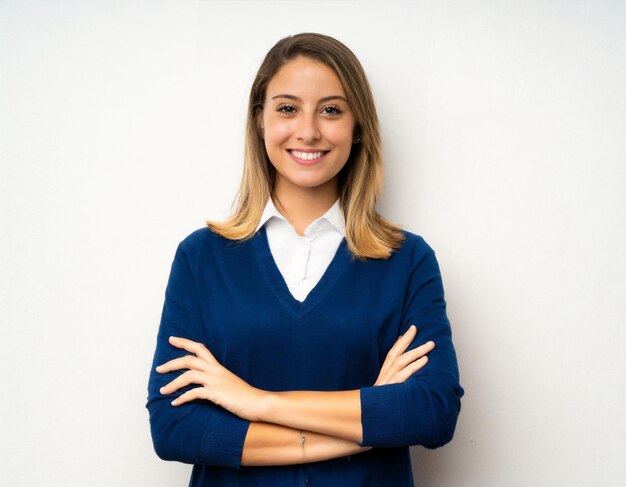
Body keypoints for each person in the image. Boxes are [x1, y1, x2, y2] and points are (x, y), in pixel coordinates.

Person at [146, 32, 464, 486]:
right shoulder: (202, 258)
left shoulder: (406, 260)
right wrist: (368, 422)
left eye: (331, 109)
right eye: (287, 108)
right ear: (260, 121)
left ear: (358, 128)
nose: (309, 130)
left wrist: (256, 401)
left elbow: (432, 411)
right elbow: (175, 428)